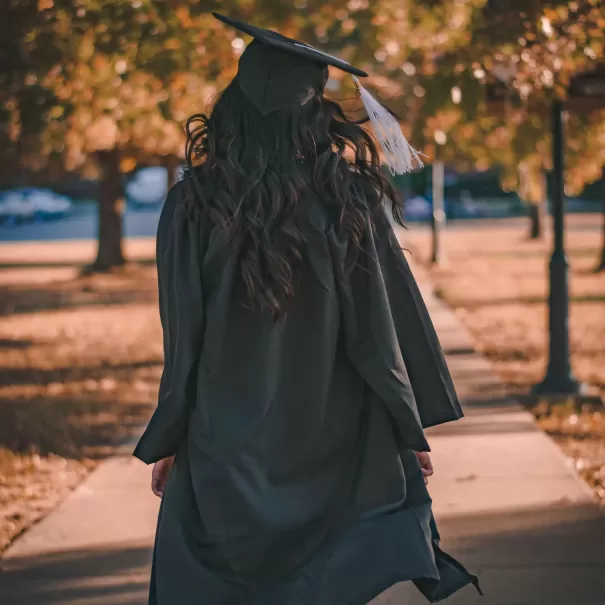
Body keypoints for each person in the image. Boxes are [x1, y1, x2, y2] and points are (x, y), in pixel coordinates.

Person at [134, 12, 481, 605]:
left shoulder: (192, 204)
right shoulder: (348, 200)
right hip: (335, 430)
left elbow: (183, 338)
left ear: (231, 111)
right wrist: (406, 426)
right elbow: (381, 329)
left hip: (226, 435)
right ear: (316, 114)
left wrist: (170, 437)